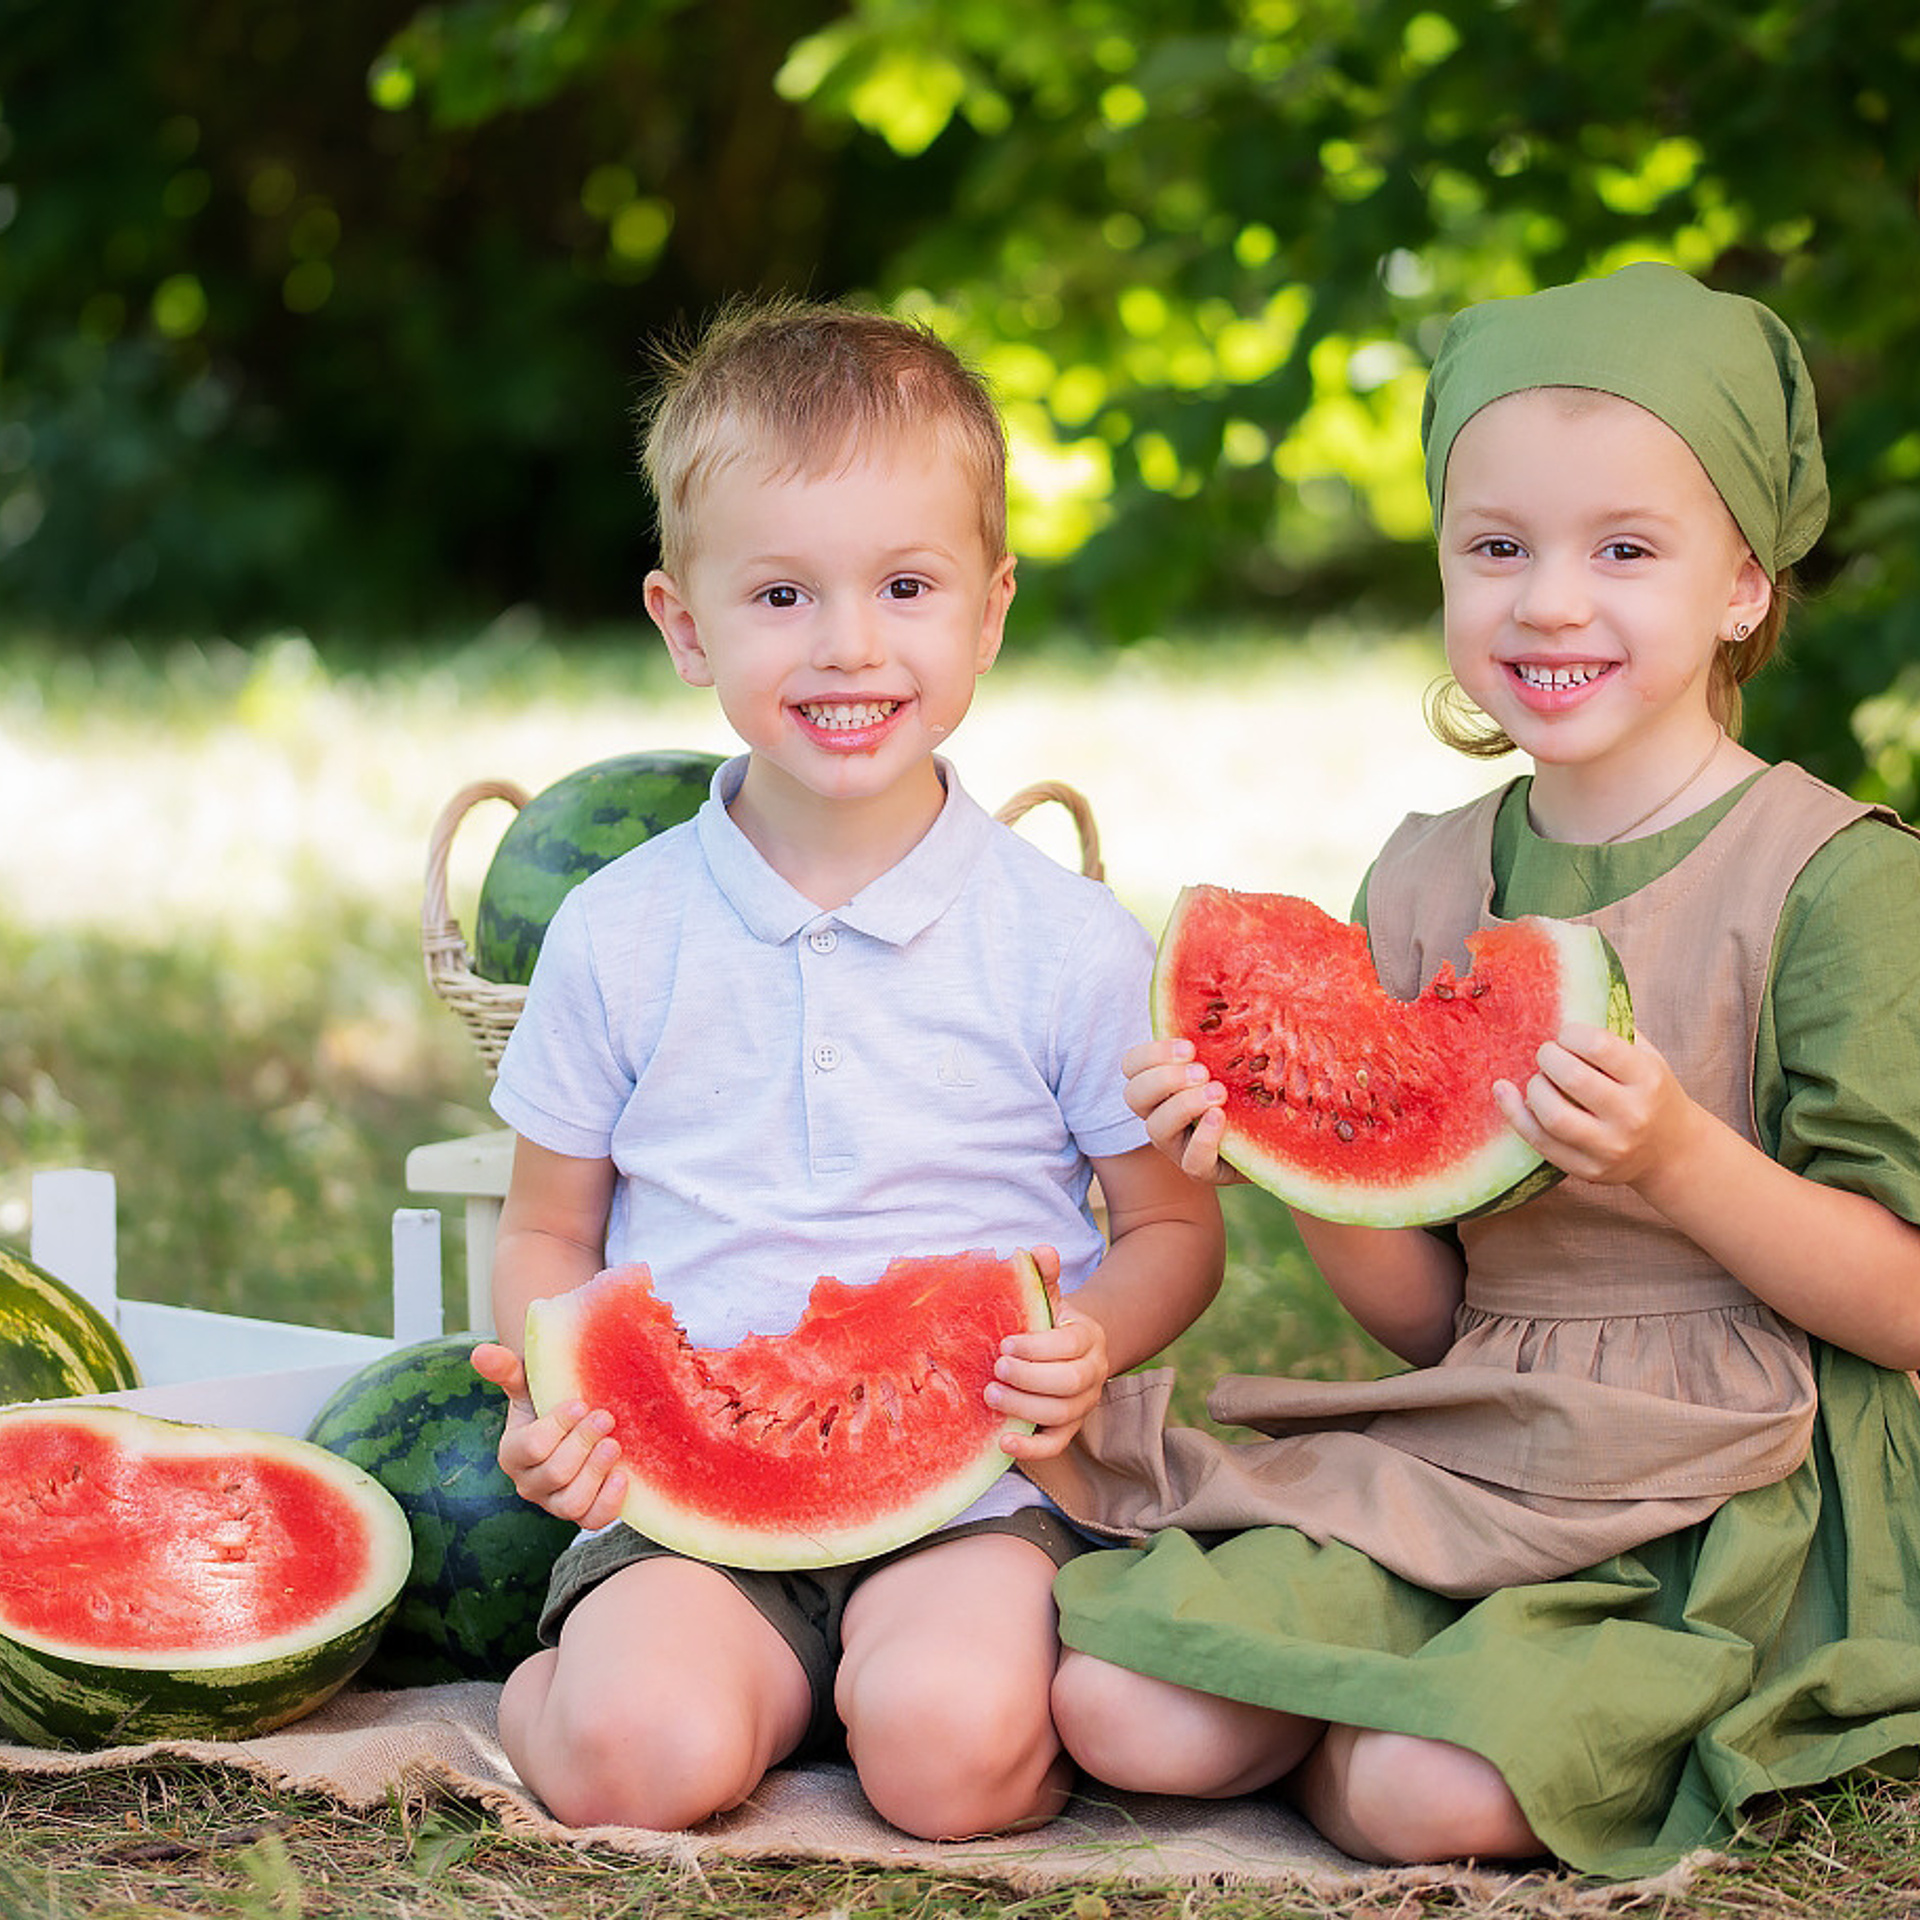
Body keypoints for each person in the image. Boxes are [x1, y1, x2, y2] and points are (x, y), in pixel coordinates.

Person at [1023, 262, 1920, 1877]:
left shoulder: (1836, 880)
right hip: (1481, 1422)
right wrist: (1283, 1153)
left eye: (1624, 551)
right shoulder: (1430, 874)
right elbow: (1427, 1314)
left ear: (1744, 585)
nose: (1550, 602)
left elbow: (1906, 1304)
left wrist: (1678, 1161)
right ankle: (1378, 1715)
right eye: (1495, 547)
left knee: (1419, 1798)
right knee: (1121, 1712)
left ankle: (1384, 1735)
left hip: (1739, 1475)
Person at [467, 297, 1225, 1843]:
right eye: (782, 595)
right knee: (638, 1764)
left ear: (990, 612)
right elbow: (551, 1228)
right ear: (687, 626)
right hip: (681, 1509)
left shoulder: (1067, 941)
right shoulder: (618, 933)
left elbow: (1174, 1231)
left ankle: (882, 1697)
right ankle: (575, 1693)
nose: (850, 645)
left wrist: (1086, 1341)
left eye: (905, 585)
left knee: (948, 1761)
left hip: (990, 1495)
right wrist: (563, 1398)